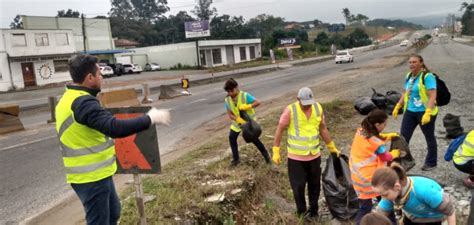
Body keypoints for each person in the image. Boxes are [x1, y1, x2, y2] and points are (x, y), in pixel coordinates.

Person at [55, 55, 170, 225]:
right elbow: (114, 127)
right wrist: (150, 119)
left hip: (98, 173)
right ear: (90, 78)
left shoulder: (69, 98)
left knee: (113, 213)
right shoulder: (83, 103)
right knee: (100, 221)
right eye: (99, 74)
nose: (102, 77)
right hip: (91, 177)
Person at [272, 87, 341, 220]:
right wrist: (276, 150)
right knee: (298, 187)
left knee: (315, 185)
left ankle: (314, 212)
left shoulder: (317, 108)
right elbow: (280, 130)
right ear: (298, 100)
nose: (307, 106)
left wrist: (332, 147)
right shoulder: (290, 110)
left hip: (314, 155)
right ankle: (301, 213)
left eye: (309, 102)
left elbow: (323, 129)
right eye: (305, 103)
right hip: (296, 158)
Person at [349, 109, 400, 224]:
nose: (385, 126)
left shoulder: (362, 131)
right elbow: (385, 156)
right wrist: (394, 154)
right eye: (384, 124)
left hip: (358, 175)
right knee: (379, 204)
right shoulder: (375, 141)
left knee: (371, 205)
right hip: (369, 178)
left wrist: (387, 137)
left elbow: (373, 138)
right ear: (377, 124)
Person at [392, 55, 438, 171]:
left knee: (429, 137)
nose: (411, 64)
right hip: (410, 112)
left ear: (421, 63)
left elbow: (432, 96)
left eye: (414, 62)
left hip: (424, 112)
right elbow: (405, 93)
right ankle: (401, 163)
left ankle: (431, 162)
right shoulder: (409, 76)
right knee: (403, 138)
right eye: (410, 62)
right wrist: (398, 105)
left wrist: (428, 112)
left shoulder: (427, 77)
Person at [372, 163, 456, 225]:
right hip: (413, 216)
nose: (383, 198)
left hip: (433, 218)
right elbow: (380, 214)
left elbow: (450, 211)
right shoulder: (391, 194)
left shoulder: (424, 191)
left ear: (397, 186)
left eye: (385, 195)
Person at [223, 78, 270, 167]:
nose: (230, 93)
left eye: (231, 91)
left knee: (254, 139)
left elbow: (257, 102)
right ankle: (236, 160)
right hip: (237, 123)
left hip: (249, 123)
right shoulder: (227, 99)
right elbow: (230, 114)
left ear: (236, 87)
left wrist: (248, 106)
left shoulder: (244, 96)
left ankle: (266, 156)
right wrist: (238, 120)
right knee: (232, 138)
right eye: (228, 92)